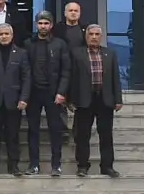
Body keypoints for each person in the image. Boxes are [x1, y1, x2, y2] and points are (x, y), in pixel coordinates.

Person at [69, 24, 122, 178]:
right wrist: (70, 99)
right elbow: (72, 77)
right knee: (82, 135)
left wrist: (118, 99)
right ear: (86, 36)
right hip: (84, 100)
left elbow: (115, 78)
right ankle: (82, 166)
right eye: (91, 34)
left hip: (105, 100)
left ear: (101, 36)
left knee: (106, 135)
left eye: (97, 34)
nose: (93, 37)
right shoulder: (77, 54)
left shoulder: (110, 54)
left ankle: (107, 166)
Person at [23, 11, 70, 177]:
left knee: (55, 130)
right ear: (36, 25)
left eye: (46, 23)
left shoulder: (60, 44)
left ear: (51, 25)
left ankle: (56, 165)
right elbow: (24, 70)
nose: (43, 26)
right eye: (40, 23)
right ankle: (33, 165)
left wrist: (61, 92)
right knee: (33, 130)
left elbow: (66, 70)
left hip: (53, 93)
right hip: (33, 93)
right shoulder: (28, 44)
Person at [0, 23, 30, 177]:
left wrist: (24, 98)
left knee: (13, 136)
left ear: (12, 35)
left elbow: (26, 78)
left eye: (7, 34)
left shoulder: (21, 53)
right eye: (1, 34)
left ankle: (14, 166)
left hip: (14, 101)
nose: (4, 37)